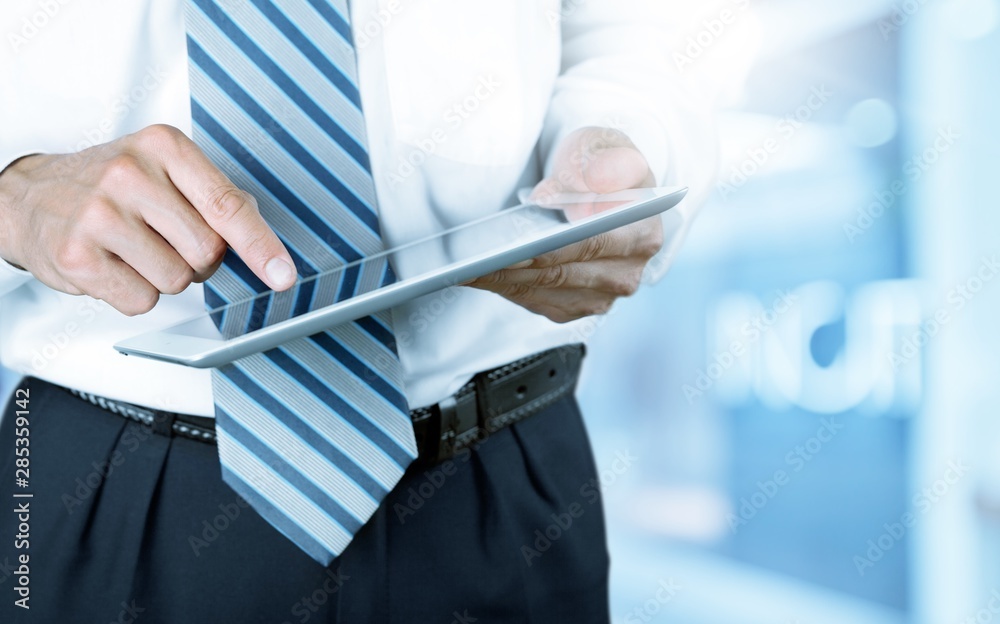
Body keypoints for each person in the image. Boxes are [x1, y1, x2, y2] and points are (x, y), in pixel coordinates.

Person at [0, 0, 711, 621]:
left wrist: (630, 133)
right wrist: (14, 201)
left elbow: (638, 22)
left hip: (505, 469)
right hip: (111, 488)